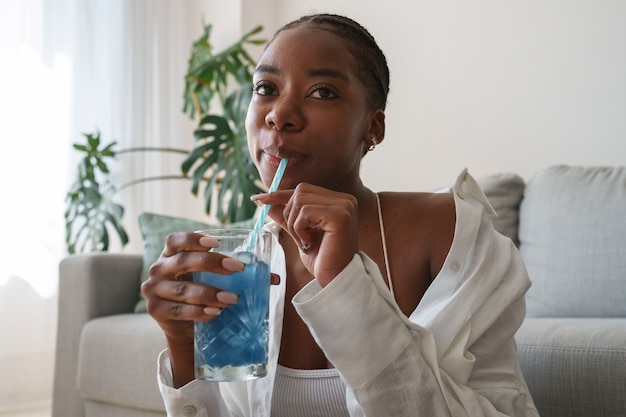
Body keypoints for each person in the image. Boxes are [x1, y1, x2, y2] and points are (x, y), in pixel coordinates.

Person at [142, 13, 539, 417]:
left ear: (373, 127)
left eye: (322, 92)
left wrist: (345, 285)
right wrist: (182, 344)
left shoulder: (451, 231)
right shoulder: (247, 265)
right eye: (266, 88)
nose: (280, 115)